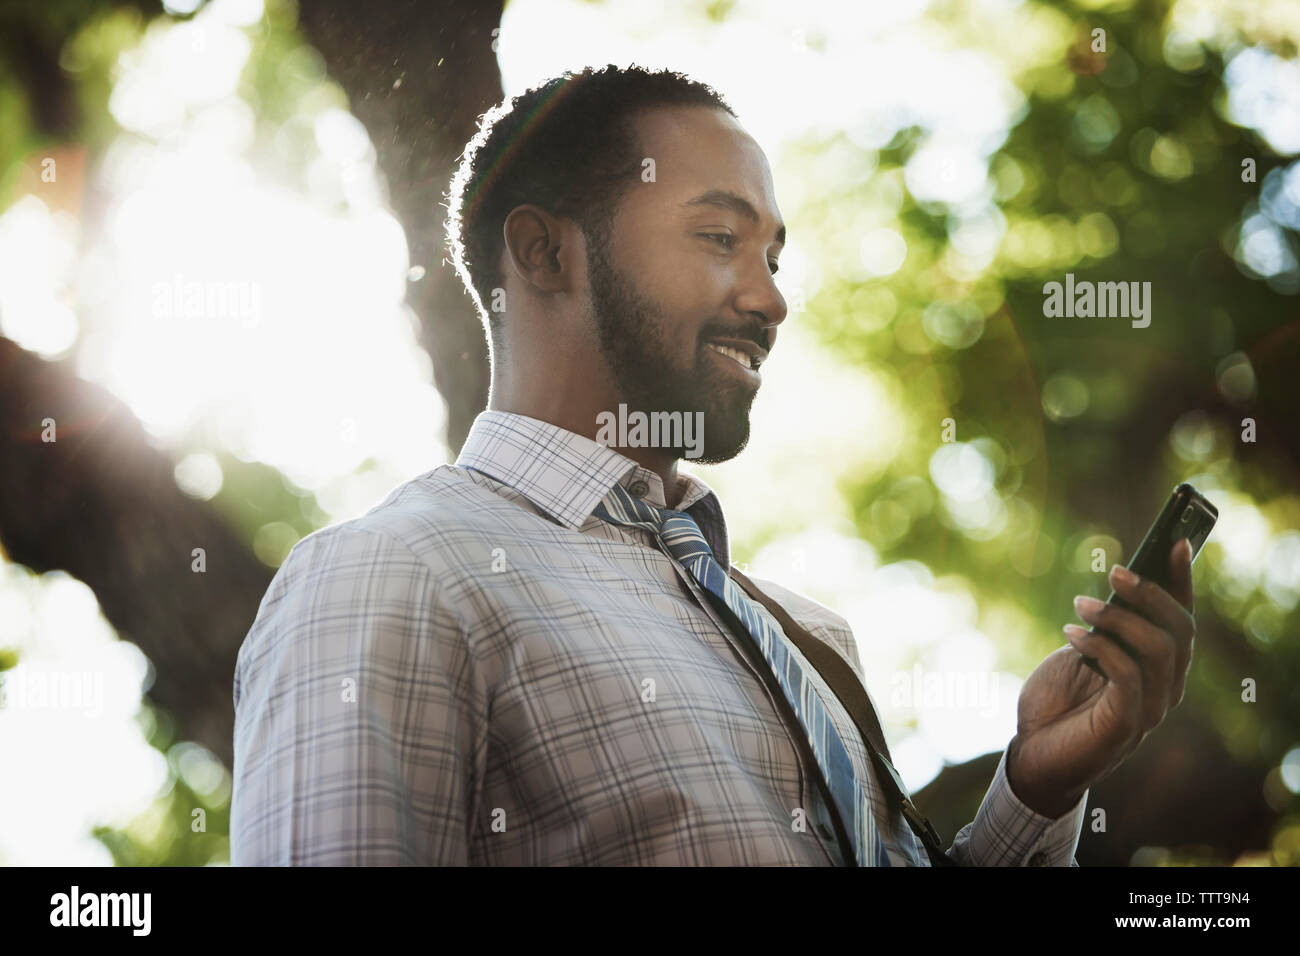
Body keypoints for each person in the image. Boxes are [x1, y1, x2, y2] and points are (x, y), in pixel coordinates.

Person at [231, 64, 1197, 866]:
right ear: (543, 254)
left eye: (776, 256)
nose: (771, 299)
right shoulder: (393, 577)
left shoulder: (813, 641)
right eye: (721, 238)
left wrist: (1036, 785)